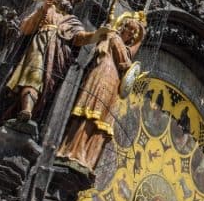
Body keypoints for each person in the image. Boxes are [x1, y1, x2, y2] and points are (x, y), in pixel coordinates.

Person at [57, 11, 146, 173]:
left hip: (113, 80)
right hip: (105, 74)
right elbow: (125, 63)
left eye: (134, 33)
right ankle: (74, 151)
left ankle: (86, 156)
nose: (132, 34)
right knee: (92, 113)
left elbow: (129, 54)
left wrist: (141, 37)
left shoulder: (122, 44)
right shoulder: (114, 38)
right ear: (122, 27)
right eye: (130, 29)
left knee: (100, 120)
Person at [5, 0, 105, 123]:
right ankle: (26, 110)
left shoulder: (72, 21)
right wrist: (43, 9)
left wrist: (97, 35)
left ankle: (30, 111)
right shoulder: (47, 9)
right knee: (34, 75)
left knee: (46, 85)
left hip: (59, 56)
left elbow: (80, 38)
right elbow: (25, 28)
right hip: (39, 45)